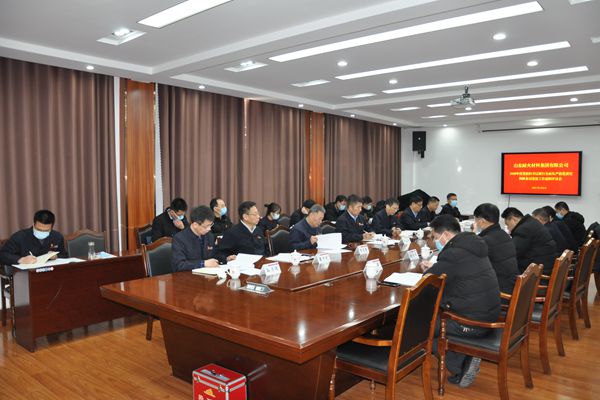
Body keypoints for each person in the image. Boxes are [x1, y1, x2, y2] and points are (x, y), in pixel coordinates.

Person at [420, 215, 500, 388]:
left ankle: (462, 364)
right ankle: (465, 355)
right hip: (490, 314)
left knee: (421, 326)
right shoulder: (473, 246)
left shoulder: (453, 254)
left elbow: (427, 281)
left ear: (446, 235)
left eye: (435, 237)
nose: (435, 241)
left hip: (472, 323)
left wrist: (430, 270)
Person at [473, 203, 518, 294]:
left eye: (476, 219)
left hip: (498, 290)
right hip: (510, 284)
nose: (475, 222)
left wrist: (472, 235)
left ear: (481, 221)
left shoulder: (485, 240)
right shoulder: (504, 234)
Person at [501, 207, 557, 275]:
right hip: (544, 266)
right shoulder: (531, 223)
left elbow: (512, 252)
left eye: (507, 224)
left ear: (513, 219)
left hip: (536, 274)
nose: (508, 228)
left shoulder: (524, 229)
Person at [0, 209, 68, 265]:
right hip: (26, 273)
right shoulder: (20, 237)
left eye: (46, 230)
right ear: (33, 224)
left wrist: (56, 256)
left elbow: (64, 255)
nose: (42, 232)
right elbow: (3, 255)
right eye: (39, 229)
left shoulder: (57, 236)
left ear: (52, 227)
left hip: (50, 272)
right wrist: (20, 259)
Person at [172, 205, 221, 272]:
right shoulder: (179, 239)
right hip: (187, 276)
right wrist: (203, 263)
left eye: (211, 225)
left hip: (207, 275)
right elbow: (179, 265)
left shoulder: (209, 236)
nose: (209, 229)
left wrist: (226, 258)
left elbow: (213, 255)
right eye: (206, 226)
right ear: (195, 225)